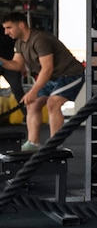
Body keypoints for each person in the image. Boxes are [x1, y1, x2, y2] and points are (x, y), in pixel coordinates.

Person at [0, 12, 85, 152]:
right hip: (52, 78)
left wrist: (33, 91)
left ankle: (54, 144)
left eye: (9, 27)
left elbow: (47, 69)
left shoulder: (40, 39)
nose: (6, 32)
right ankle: (33, 143)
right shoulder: (20, 43)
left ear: (21, 25)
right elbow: (16, 65)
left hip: (70, 75)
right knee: (32, 105)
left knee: (53, 103)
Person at [0, 33, 26, 116]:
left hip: (11, 63)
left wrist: (22, 65)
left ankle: (27, 115)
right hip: (9, 62)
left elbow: (20, 48)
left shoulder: (8, 30)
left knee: (17, 90)